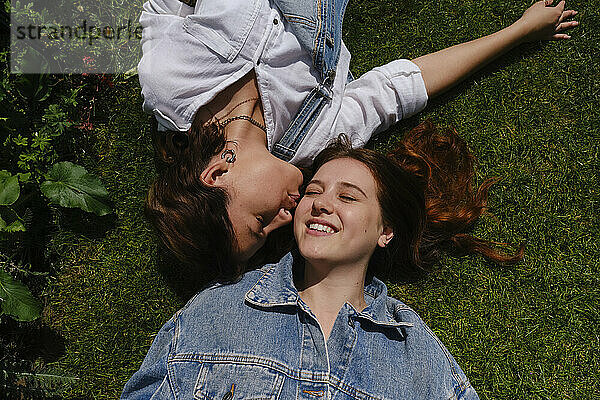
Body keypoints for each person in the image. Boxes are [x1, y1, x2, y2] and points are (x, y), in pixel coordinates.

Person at [139, 0, 577, 280]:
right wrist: (520, 32)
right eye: (269, 233)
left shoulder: (172, 85)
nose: (284, 220)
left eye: (261, 219)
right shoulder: (312, 140)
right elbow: (399, 90)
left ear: (216, 172)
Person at [120, 121, 524, 399]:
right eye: (312, 192)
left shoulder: (412, 349)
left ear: (385, 232)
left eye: (348, 198)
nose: (321, 205)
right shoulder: (218, 310)